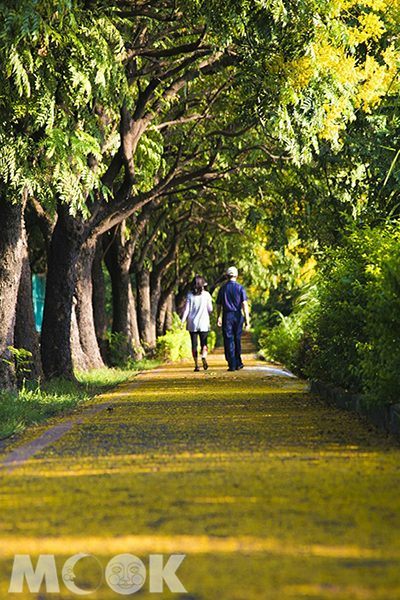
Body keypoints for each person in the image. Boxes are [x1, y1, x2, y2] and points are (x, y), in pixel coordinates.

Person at [216, 266, 250, 371]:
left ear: (227, 276)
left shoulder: (222, 289)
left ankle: (231, 363)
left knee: (228, 339)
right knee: (237, 339)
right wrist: (247, 320)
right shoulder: (240, 288)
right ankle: (238, 362)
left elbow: (218, 305)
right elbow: (244, 304)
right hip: (237, 315)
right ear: (236, 276)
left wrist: (218, 317)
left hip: (227, 316)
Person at [181, 274, 213, 372]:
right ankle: (203, 356)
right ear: (202, 284)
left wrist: (182, 321)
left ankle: (197, 365)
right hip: (203, 323)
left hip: (192, 323)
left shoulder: (190, 296)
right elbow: (210, 309)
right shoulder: (207, 295)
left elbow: (186, 310)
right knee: (204, 343)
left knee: (194, 344)